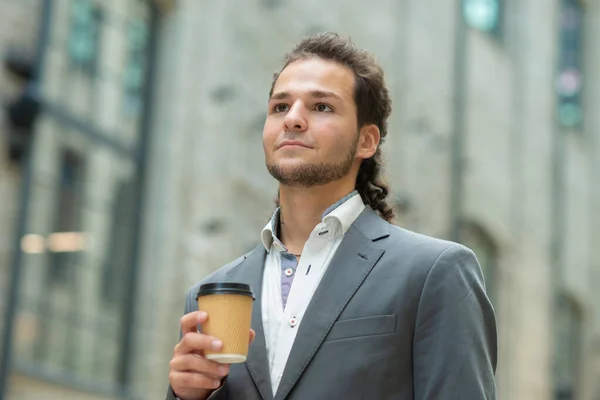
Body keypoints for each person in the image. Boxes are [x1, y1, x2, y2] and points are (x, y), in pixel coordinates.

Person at [166, 32, 497, 400]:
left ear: (366, 141)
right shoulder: (209, 294)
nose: (293, 119)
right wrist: (185, 396)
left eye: (321, 107)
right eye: (280, 107)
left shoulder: (435, 272)